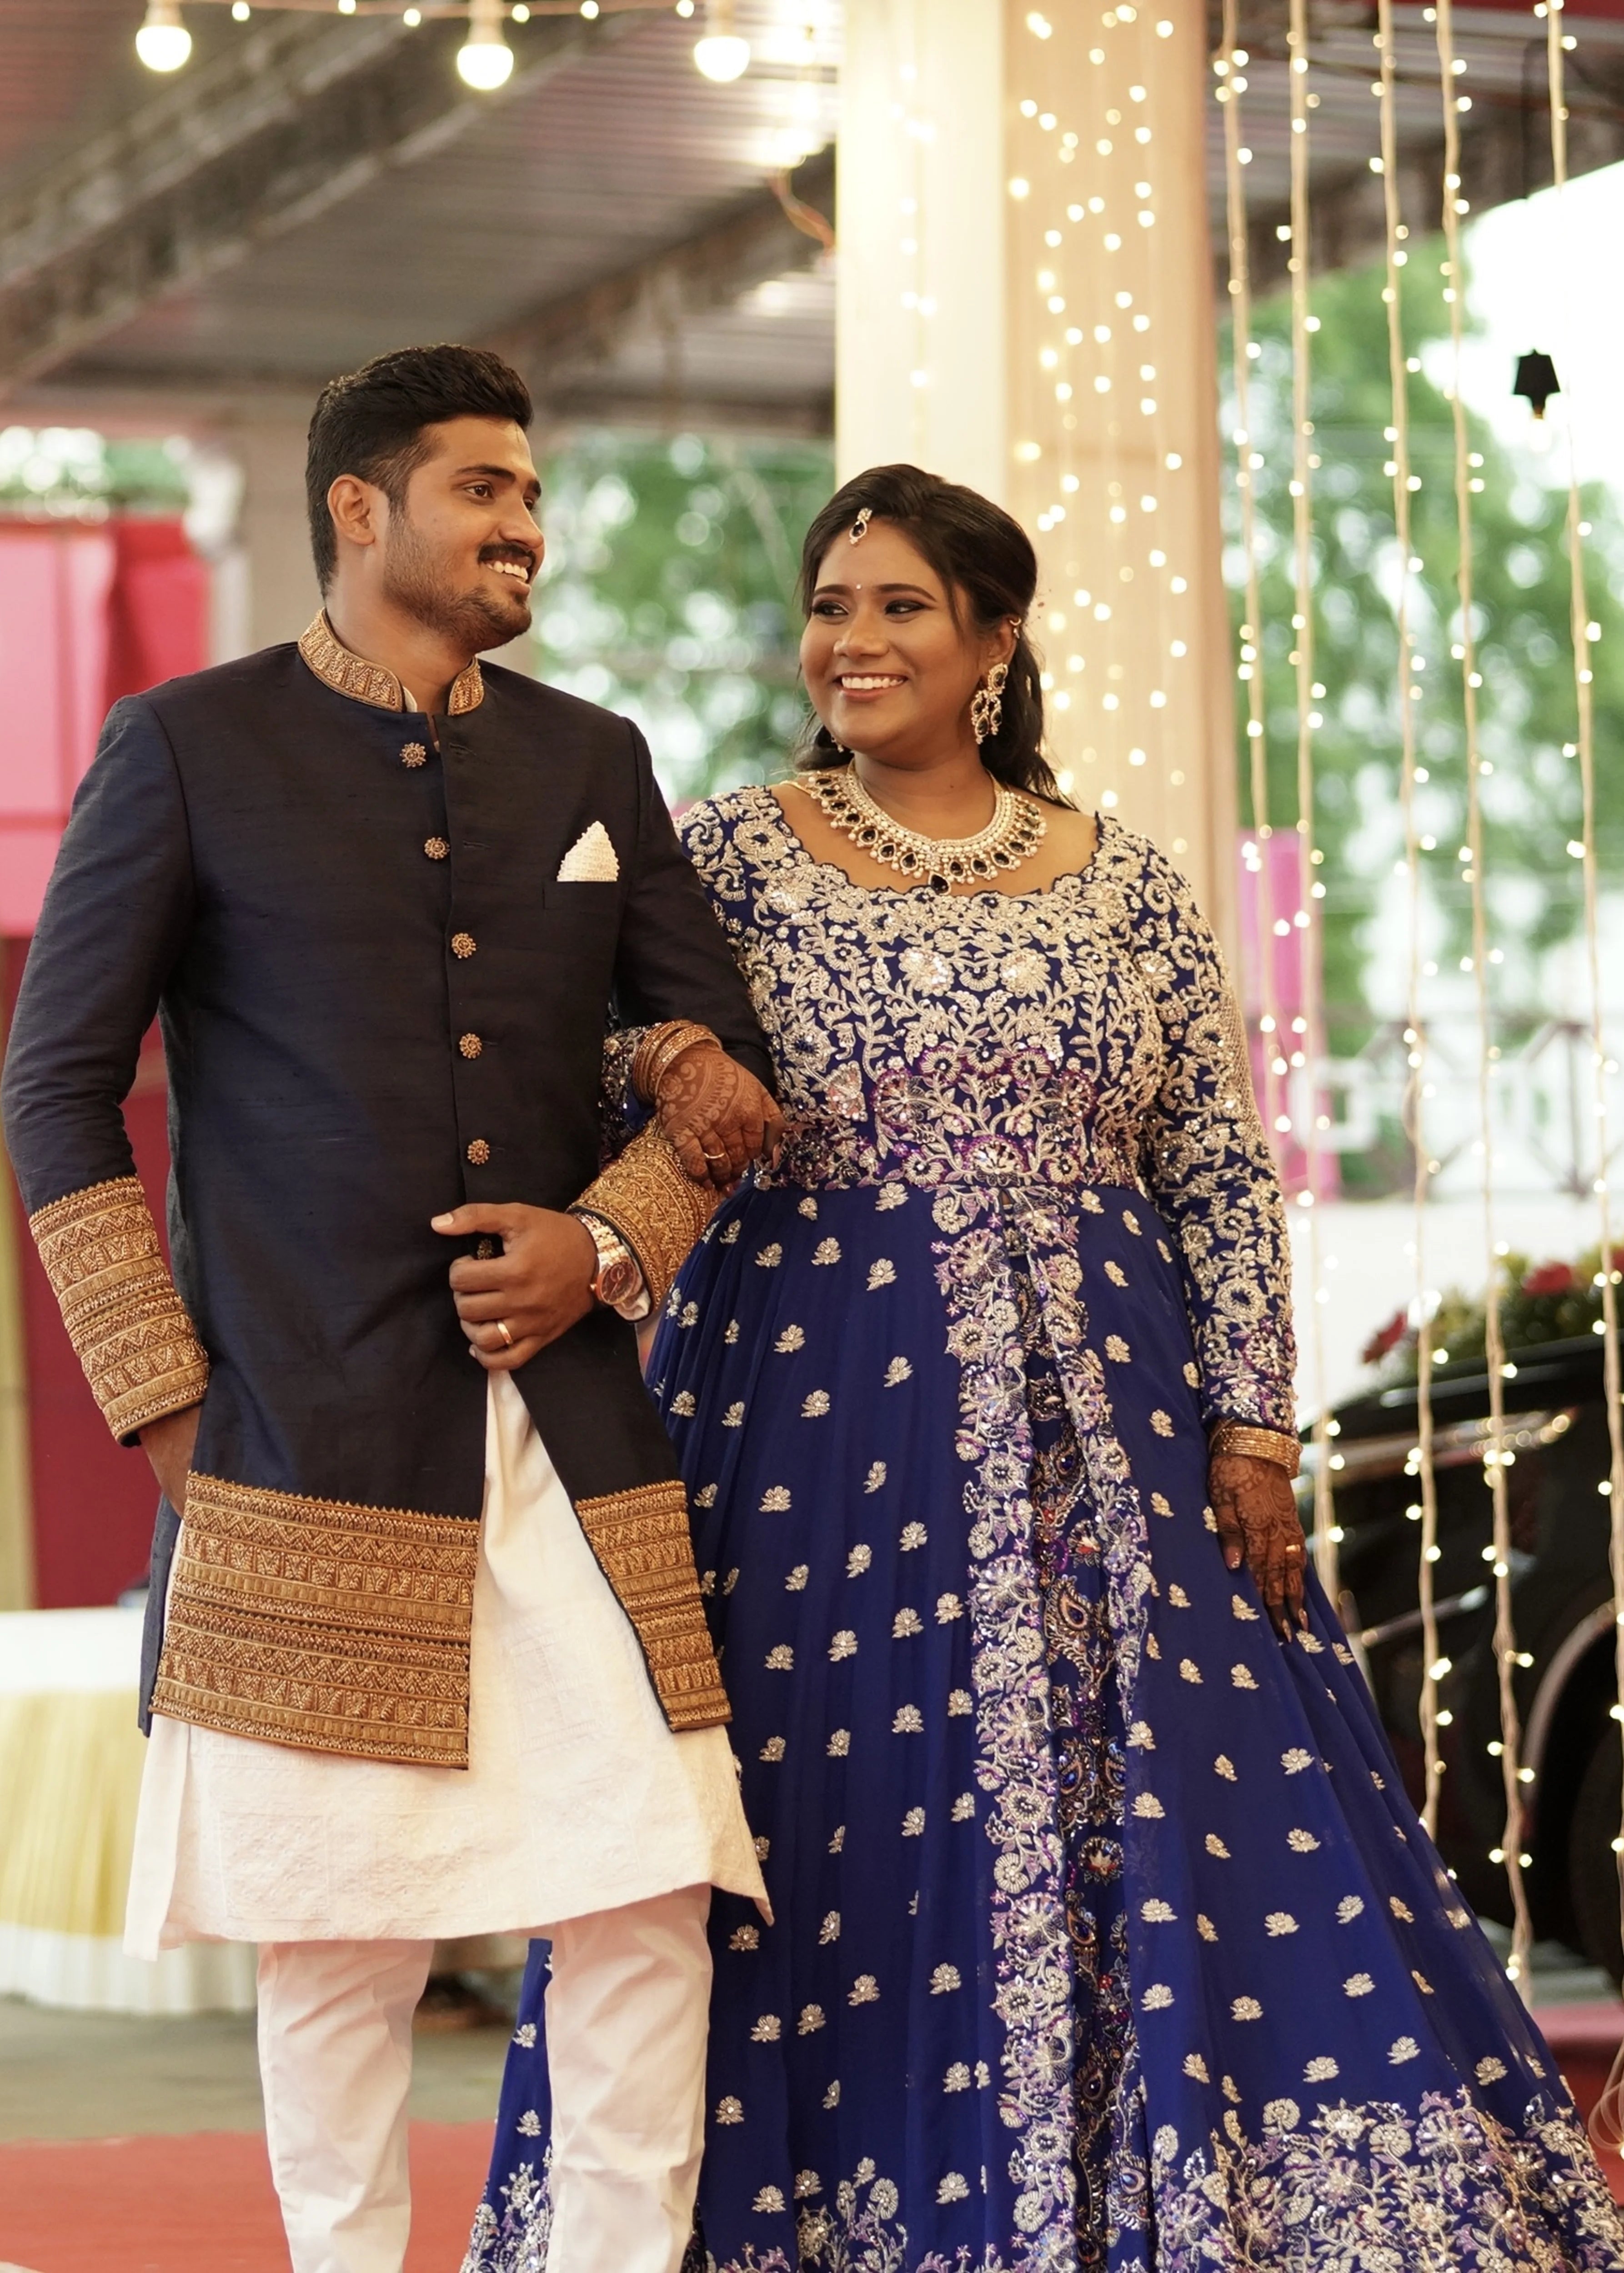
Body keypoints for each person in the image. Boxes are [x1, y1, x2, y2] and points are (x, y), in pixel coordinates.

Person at [474, 464, 1624, 2270]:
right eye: (830, 604)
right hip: (816, 1424)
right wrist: (672, 1057)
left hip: (1116, 1427)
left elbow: (1217, 1168)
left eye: (898, 606)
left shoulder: (1125, 885)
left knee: (1158, 1803)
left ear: (992, 641)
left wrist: (1250, 1425)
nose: (851, 639)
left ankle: (1151, 2206)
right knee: (827, 1825)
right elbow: (602, 1029)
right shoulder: (737, 852)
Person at [1, 342, 788, 2273]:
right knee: (335, 1926)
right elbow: (52, 1078)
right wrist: (163, 1397)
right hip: (301, 1427)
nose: (524, 526)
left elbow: (717, 1061)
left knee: (642, 1886)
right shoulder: (189, 743)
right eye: (483, 490)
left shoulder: (591, 754)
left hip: (577, 1438)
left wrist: (598, 1243)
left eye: (528, 492)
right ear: (361, 510)